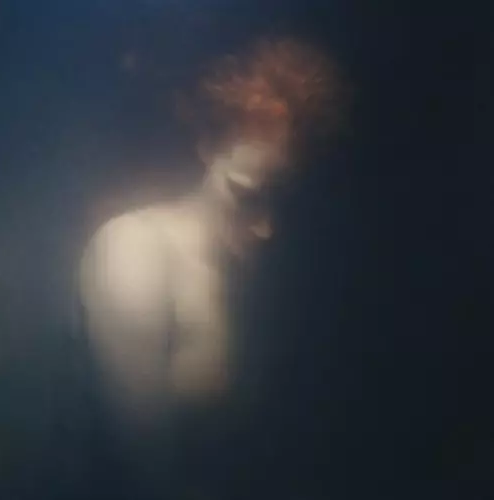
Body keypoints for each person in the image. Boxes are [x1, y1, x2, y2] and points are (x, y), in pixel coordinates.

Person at [78, 37, 343, 498]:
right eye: (248, 196)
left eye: (285, 203)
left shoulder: (272, 283)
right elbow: (145, 469)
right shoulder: (135, 248)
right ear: (207, 147)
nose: (268, 229)